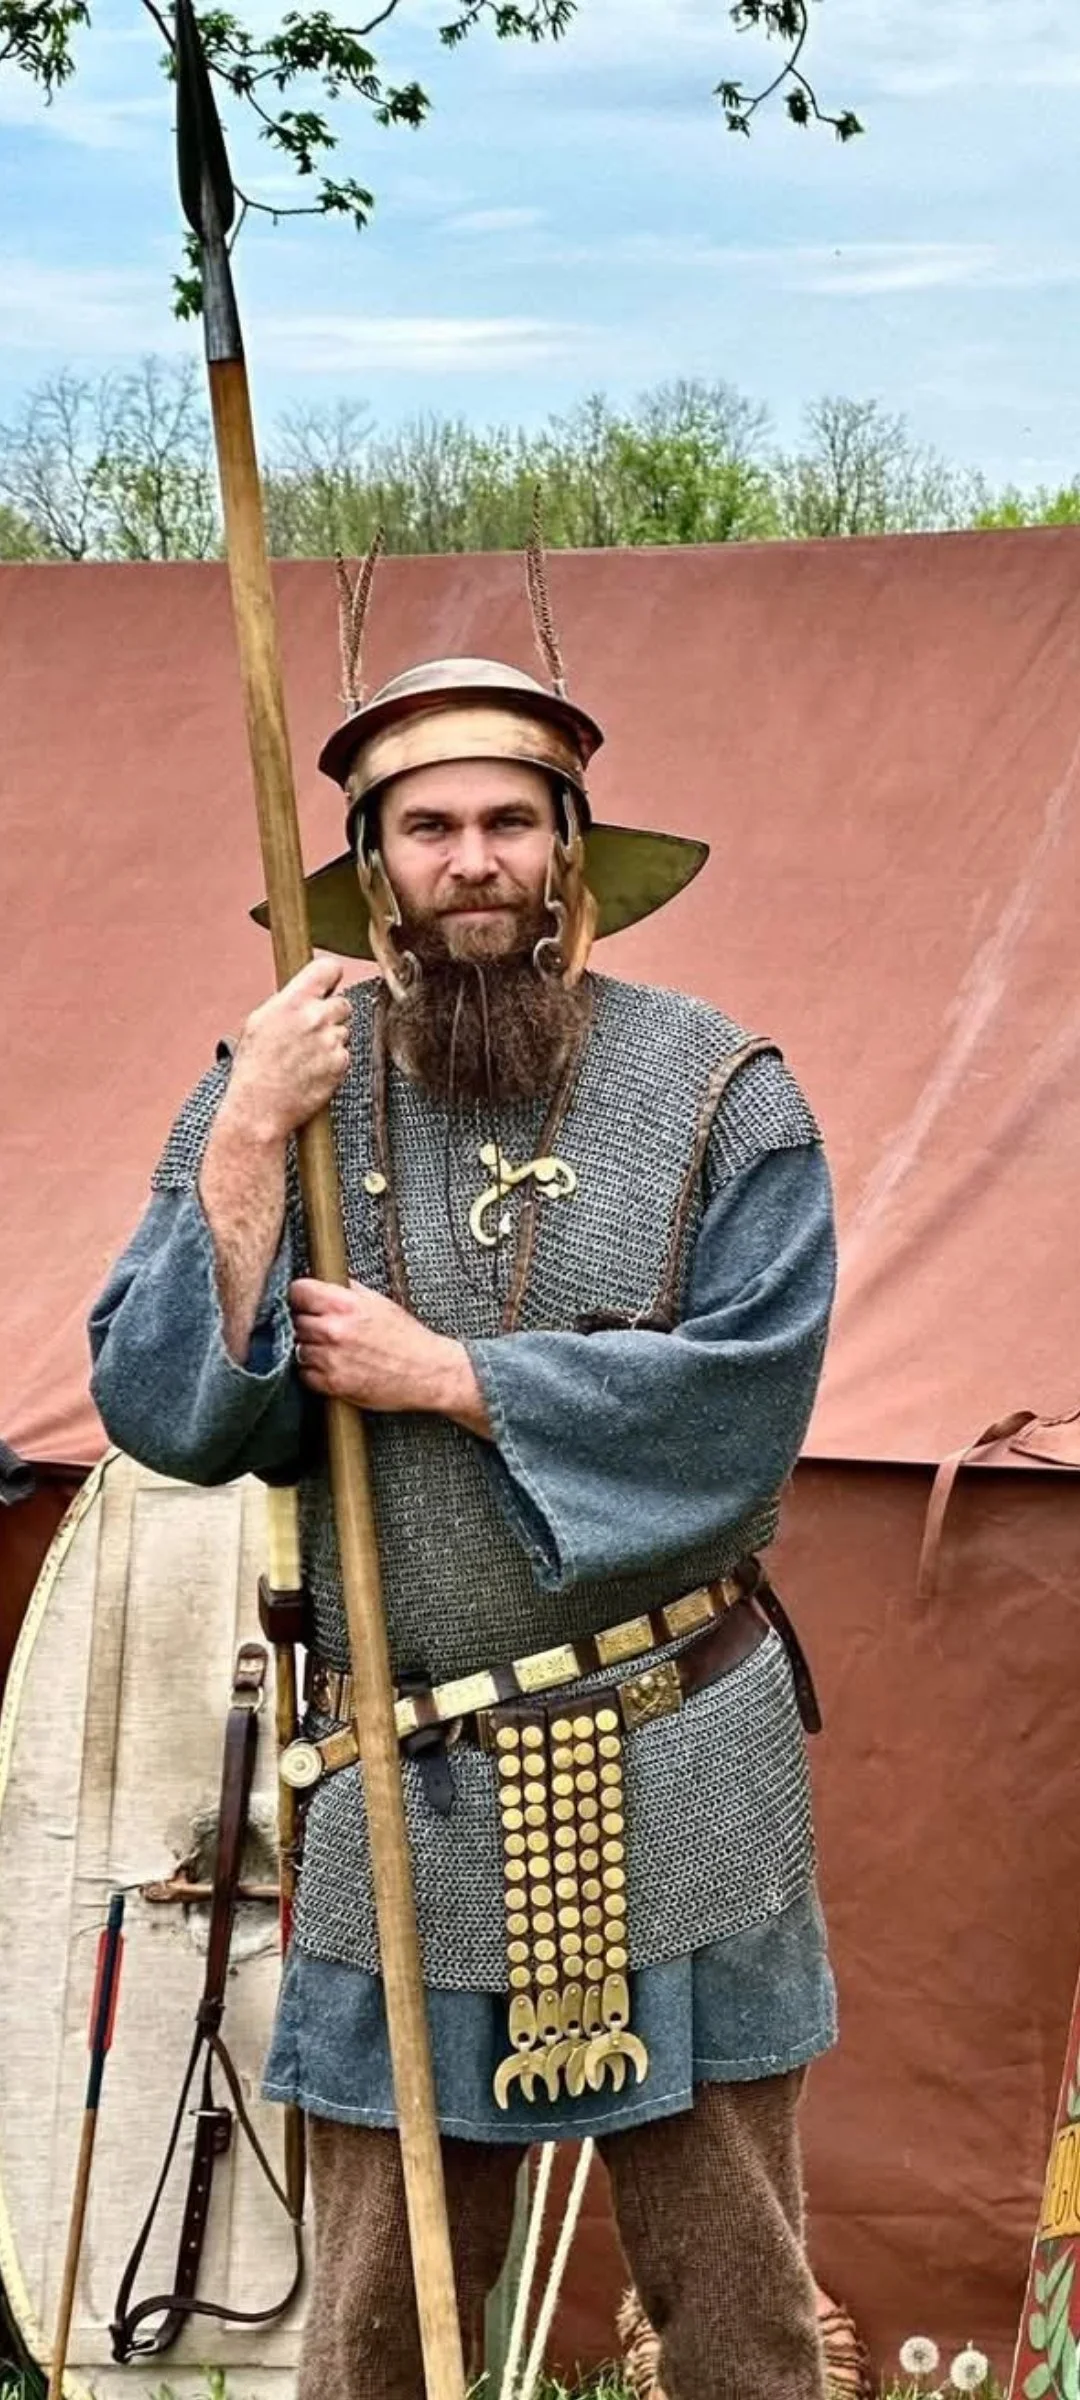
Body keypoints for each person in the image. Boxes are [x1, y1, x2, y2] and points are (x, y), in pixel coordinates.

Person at [89, 551, 838, 2400]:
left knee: (739, 2295)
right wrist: (252, 1137)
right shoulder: (281, 1085)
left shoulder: (720, 1090)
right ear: (368, 859)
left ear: (576, 849)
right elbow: (166, 1407)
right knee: (377, 2309)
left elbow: (753, 1391)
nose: (476, 858)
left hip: (678, 1748)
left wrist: (456, 1380)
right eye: (429, 826)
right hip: (403, 1787)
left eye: (514, 818)